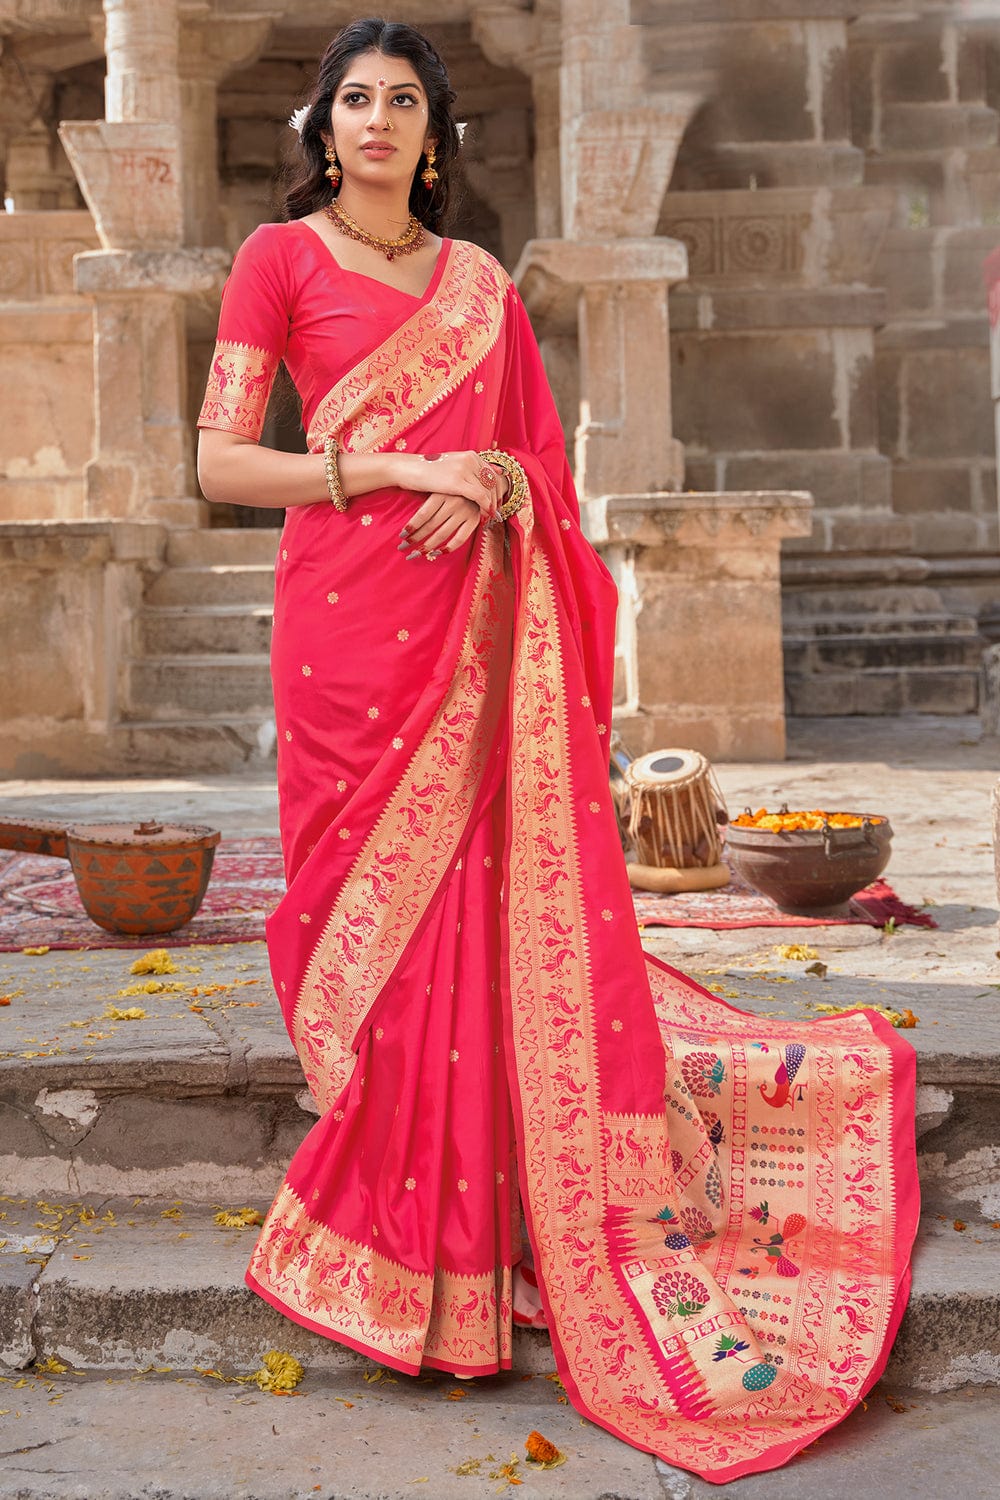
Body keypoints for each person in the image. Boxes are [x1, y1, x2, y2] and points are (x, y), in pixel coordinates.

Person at [196, 17, 918, 1484]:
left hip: (470, 634)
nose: (380, 122)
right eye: (356, 102)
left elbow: (539, 461)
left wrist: (504, 488)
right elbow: (219, 464)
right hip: (343, 637)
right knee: (377, 949)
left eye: (405, 101)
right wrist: (402, 462)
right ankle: (398, 1257)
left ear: (435, 135)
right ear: (321, 132)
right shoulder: (279, 262)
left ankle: (477, 1265)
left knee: (470, 932)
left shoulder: (479, 288)